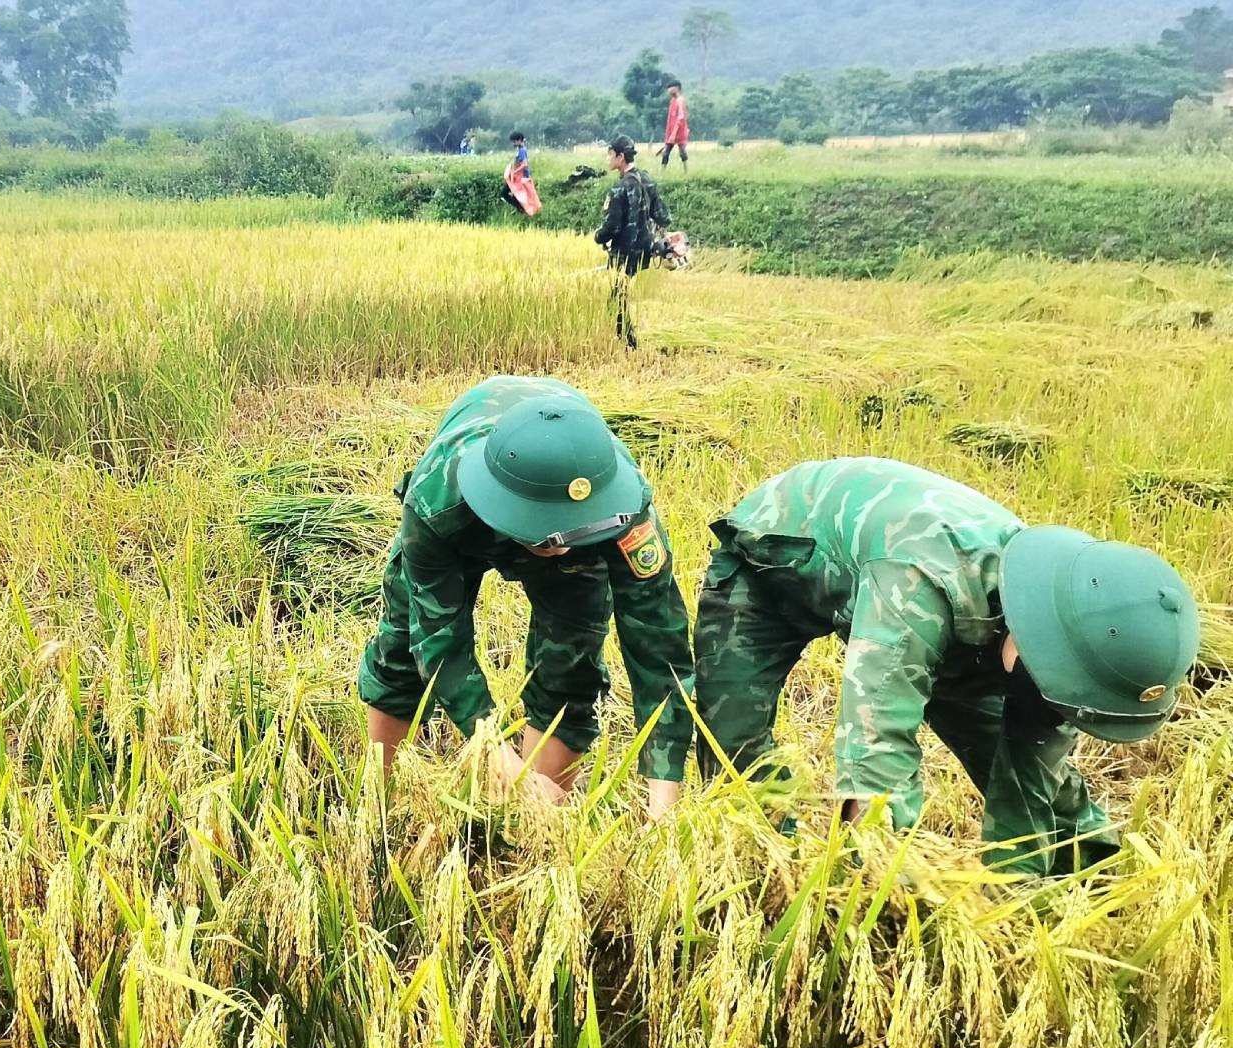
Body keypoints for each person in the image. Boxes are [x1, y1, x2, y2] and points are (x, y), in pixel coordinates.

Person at [684, 457, 1200, 877]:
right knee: (732, 739)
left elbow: (1034, 763)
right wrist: (884, 880)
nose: (1055, 701)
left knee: (1018, 750)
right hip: (774, 564)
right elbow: (877, 738)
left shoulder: (1071, 621)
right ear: (1031, 636)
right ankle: (764, 868)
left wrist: (1018, 890)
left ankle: (1090, 875)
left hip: (955, 617)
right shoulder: (921, 583)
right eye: (1054, 687)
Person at [359, 375, 696, 811]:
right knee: (402, 647)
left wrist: (663, 800)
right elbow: (437, 637)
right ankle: (379, 803)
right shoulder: (438, 500)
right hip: (473, 513)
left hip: (580, 497)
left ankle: (540, 815)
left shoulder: (623, 509)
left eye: (572, 531)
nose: (559, 548)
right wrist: (495, 751)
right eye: (546, 533)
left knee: (570, 665)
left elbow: (659, 647)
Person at [592, 135, 670, 350]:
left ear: (621, 157)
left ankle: (629, 344)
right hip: (646, 250)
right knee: (620, 295)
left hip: (625, 253)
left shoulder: (620, 188)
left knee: (617, 299)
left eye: (610, 154)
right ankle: (625, 340)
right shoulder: (648, 180)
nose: (608, 159)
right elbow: (662, 216)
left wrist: (599, 236)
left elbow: (612, 227)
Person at [659, 81, 690, 173]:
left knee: (682, 152)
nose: (668, 90)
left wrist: (674, 134)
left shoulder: (680, 100)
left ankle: (686, 172)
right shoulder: (672, 101)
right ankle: (662, 172)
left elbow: (681, 117)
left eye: (670, 88)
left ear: (677, 88)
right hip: (671, 132)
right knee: (666, 152)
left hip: (679, 132)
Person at [499, 132, 531, 211]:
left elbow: (525, 164)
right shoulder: (520, 150)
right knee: (515, 196)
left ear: (519, 140)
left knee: (504, 194)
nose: (513, 143)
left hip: (521, 178)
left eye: (514, 141)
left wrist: (515, 172)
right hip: (519, 177)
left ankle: (520, 210)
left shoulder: (522, 150)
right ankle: (520, 210)